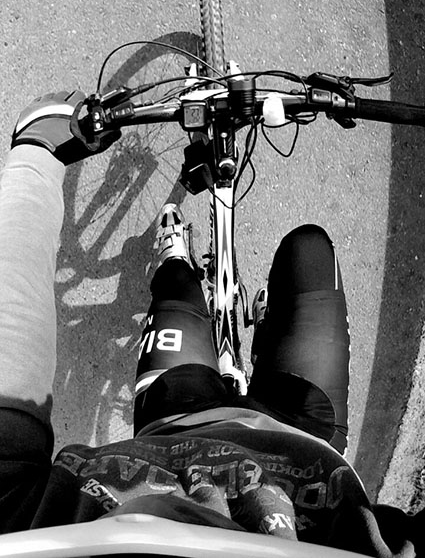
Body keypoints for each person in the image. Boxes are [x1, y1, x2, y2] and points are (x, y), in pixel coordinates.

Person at [0, 90, 420, 555]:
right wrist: (35, 159)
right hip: (304, 435)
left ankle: (173, 258)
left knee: (178, 284)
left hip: (178, 422)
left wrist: (36, 160)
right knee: (309, 250)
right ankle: (249, 334)